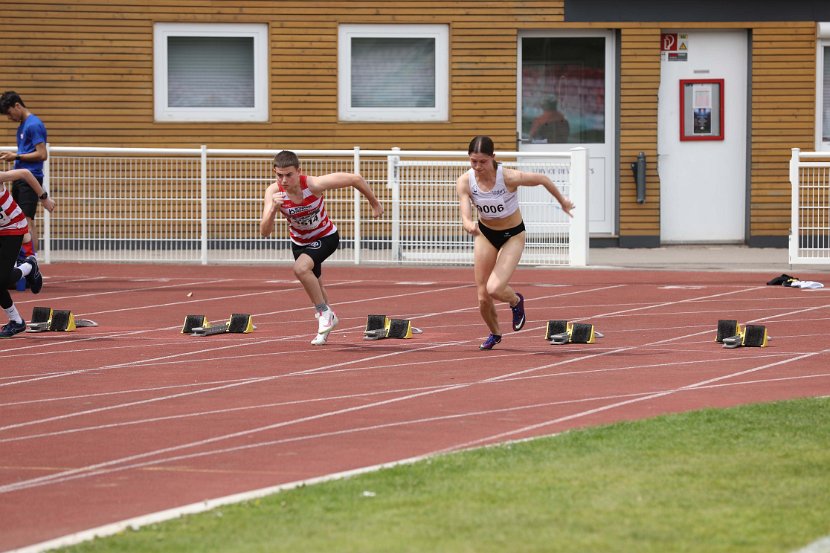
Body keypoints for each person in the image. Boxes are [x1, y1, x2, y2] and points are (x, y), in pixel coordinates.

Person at [456, 135, 575, 350]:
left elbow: (543, 179)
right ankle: (495, 333)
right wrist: (467, 222)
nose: (477, 166)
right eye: (473, 161)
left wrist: (563, 201)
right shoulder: (466, 181)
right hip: (485, 234)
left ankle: (515, 301)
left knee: (495, 288)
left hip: (513, 234)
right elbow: (464, 209)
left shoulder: (508, 177)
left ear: (493, 158)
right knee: (483, 295)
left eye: (483, 161)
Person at [259, 150, 384, 345]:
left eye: (289, 175)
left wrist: (374, 203)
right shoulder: (273, 193)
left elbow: (355, 179)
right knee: (316, 285)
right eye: (279, 175)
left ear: (299, 171)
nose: (284, 180)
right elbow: (265, 232)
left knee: (300, 269)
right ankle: (324, 328)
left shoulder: (313, 184)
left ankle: (324, 313)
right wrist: (273, 210)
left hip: (326, 237)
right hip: (300, 242)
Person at [1, 168, 55, 338]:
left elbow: (25, 173)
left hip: (13, 228)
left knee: (0, 280)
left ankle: (28, 267)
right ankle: (16, 321)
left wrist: (44, 198)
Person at [0, 91, 49, 258]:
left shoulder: (33, 125)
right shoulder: (23, 125)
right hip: (21, 178)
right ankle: (23, 259)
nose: (9, 117)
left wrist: (17, 156)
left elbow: (42, 154)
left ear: (17, 106)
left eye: (9, 113)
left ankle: (31, 261)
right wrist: (14, 155)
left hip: (30, 177)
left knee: (27, 220)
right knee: (20, 219)